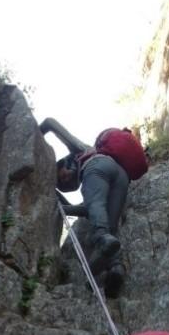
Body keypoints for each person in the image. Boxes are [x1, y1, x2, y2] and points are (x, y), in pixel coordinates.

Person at [39, 117, 145, 299]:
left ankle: (101, 238)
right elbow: (87, 210)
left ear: (64, 163)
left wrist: (35, 135)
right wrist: (60, 204)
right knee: (111, 227)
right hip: (122, 177)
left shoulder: (83, 151)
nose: (64, 179)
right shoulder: (97, 164)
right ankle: (116, 268)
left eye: (61, 176)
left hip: (98, 166)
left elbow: (50, 122)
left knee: (100, 222)